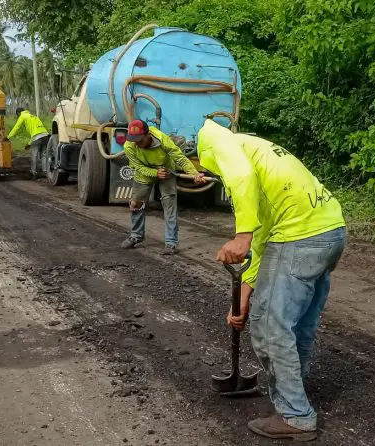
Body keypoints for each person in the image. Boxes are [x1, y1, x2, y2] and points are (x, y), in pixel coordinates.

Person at [196, 119, 347, 441]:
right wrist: (245, 297)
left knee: (270, 330)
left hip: (299, 238)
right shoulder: (257, 148)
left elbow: (240, 179)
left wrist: (241, 236)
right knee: (298, 324)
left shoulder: (219, 144)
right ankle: (296, 386)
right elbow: (266, 235)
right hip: (330, 232)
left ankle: (296, 416)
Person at [120, 119, 206, 255]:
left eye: (140, 139)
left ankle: (171, 243)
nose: (137, 143)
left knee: (169, 204)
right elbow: (137, 166)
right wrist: (154, 173)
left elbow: (180, 158)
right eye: (134, 139)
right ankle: (136, 236)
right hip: (144, 173)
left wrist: (194, 174)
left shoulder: (162, 140)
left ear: (148, 135)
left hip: (166, 170)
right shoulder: (129, 146)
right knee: (136, 204)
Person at [7, 108, 49, 178]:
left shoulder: (22, 116)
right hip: (45, 136)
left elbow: (16, 127)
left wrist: (8, 137)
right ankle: (45, 172)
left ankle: (33, 172)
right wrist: (29, 143)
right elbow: (37, 131)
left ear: (18, 113)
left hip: (37, 137)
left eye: (17, 115)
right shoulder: (34, 116)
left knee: (34, 155)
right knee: (44, 155)